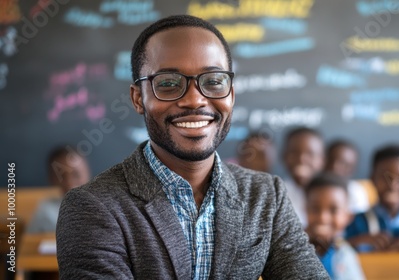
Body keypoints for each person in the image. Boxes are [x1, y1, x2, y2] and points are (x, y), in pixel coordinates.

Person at [56, 15, 328, 279]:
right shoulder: (92, 207)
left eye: (213, 81)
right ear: (138, 98)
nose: (195, 100)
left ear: (231, 94)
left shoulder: (267, 197)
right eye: (169, 84)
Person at [305, 173, 365, 280]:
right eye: (315, 208)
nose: (323, 218)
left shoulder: (345, 254)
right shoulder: (293, 250)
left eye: (333, 210)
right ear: (305, 210)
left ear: (348, 216)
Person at [26, 146, 90, 233]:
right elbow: (30, 243)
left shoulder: (101, 208)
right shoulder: (45, 213)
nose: (69, 183)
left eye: (76, 175)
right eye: (61, 176)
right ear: (51, 179)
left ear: (87, 174)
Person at [282, 127, 325, 226]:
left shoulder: (336, 193)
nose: (301, 159)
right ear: (284, 156)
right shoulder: (276, 193)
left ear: (322, 160)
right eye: (294, 153)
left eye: (310, 154)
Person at [324, 139, 370, 214]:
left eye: (343, 164)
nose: (335, 167)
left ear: (352, 169)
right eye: (331, 160)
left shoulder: (356, 192)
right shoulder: (311, 188)